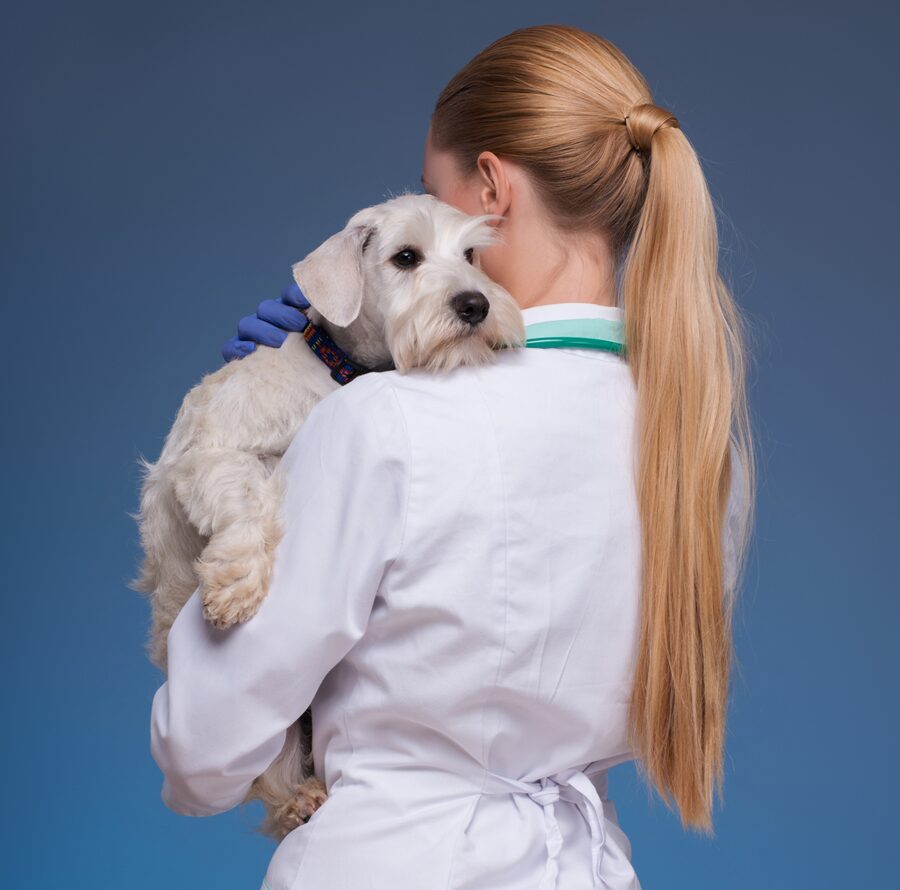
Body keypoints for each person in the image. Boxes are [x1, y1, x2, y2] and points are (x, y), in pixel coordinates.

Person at [150, 23, 755, 890]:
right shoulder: (695, 443)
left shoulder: (379, 424)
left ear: (491, 189)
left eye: (443, 203)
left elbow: (203, 751)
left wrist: (245, 470)